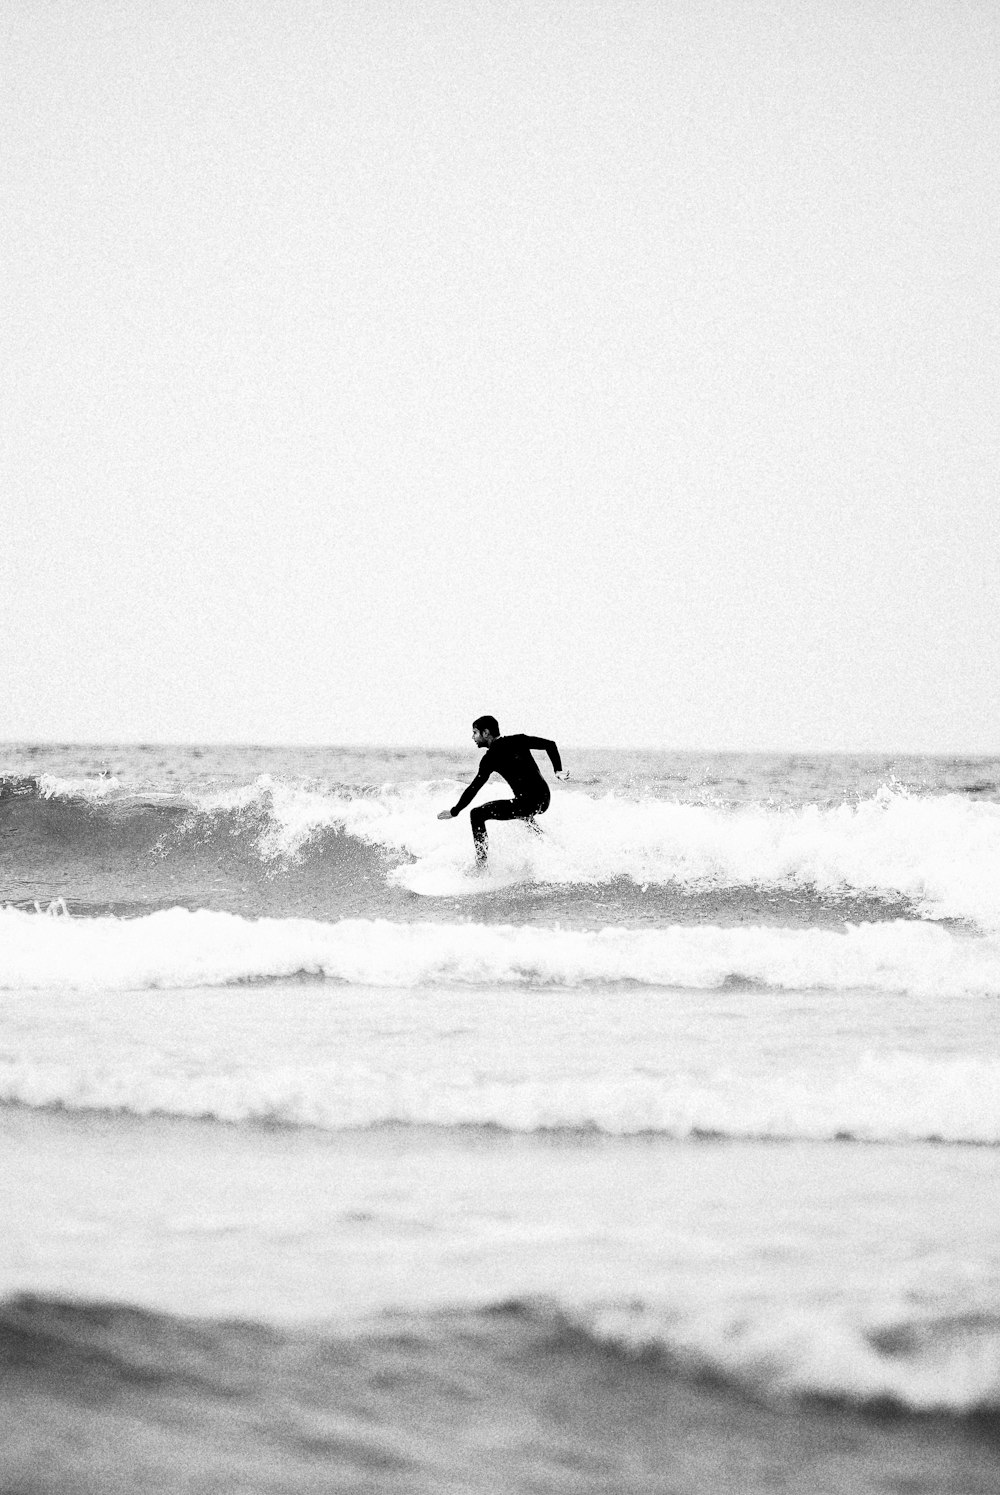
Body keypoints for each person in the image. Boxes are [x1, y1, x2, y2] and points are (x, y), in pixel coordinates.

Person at [437, 716, 568, 867]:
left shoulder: (490, 758)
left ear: (486, 733)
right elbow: (550, 745)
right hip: (544, 798)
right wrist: (558, 770)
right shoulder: (518, 740)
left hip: (528, 803)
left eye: (475, 732)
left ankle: (481, 864)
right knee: (524, 813)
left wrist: (455, 811)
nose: (473, 737)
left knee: (477, 814)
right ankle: (548, 846)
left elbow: (474, 787)